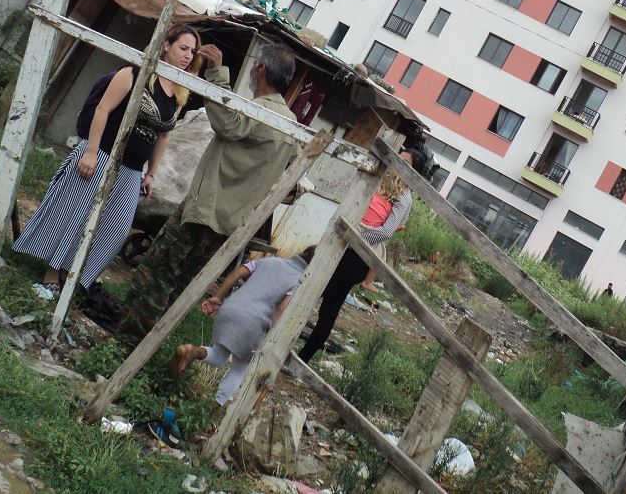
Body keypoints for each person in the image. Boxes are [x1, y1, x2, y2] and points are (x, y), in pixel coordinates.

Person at [116, 42, 299, 346]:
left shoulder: (261, 113)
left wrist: (217, 74)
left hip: (204, 211)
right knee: (183, 284)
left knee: (157, 275)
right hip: (231, 224)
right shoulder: (291, 126)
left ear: (261, 69)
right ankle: (150, 347)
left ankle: (125, 343)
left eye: (254, 64)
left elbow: (229, 124)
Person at [14, 24, 202, 295]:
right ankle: (51, 276)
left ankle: (73, 275)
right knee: (75, 215)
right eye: (183, 48)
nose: (188, 55)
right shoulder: (133, 74)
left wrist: (151, 173)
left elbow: (164, 137)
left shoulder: (180, 93)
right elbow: (103, 109)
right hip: (102, 157)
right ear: (166, 46)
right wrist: (91, 151)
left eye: (192, 51)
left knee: (114, 229)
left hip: (131, 172)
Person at [298, 144, 434, 364]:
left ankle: (301, 358)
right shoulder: (380, 177)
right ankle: (289, 348)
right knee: (311, 292)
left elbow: (385, 232)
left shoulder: (403, 198)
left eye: (404, 163)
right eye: (397, 159)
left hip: (357, 255)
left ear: (412, 172)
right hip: (342, 244)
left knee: (325, 304)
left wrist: (353, 235)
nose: (396, 165)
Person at [170, 247, 316, 407]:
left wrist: (218, 297)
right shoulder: (299, 281)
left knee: (219, 356)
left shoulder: (271, 260)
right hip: (253, 324)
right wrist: (274, 338)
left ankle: (193, 351)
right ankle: (212, 408)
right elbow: (281, 309)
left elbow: (237, 273)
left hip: (230, 309)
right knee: (239, 369)